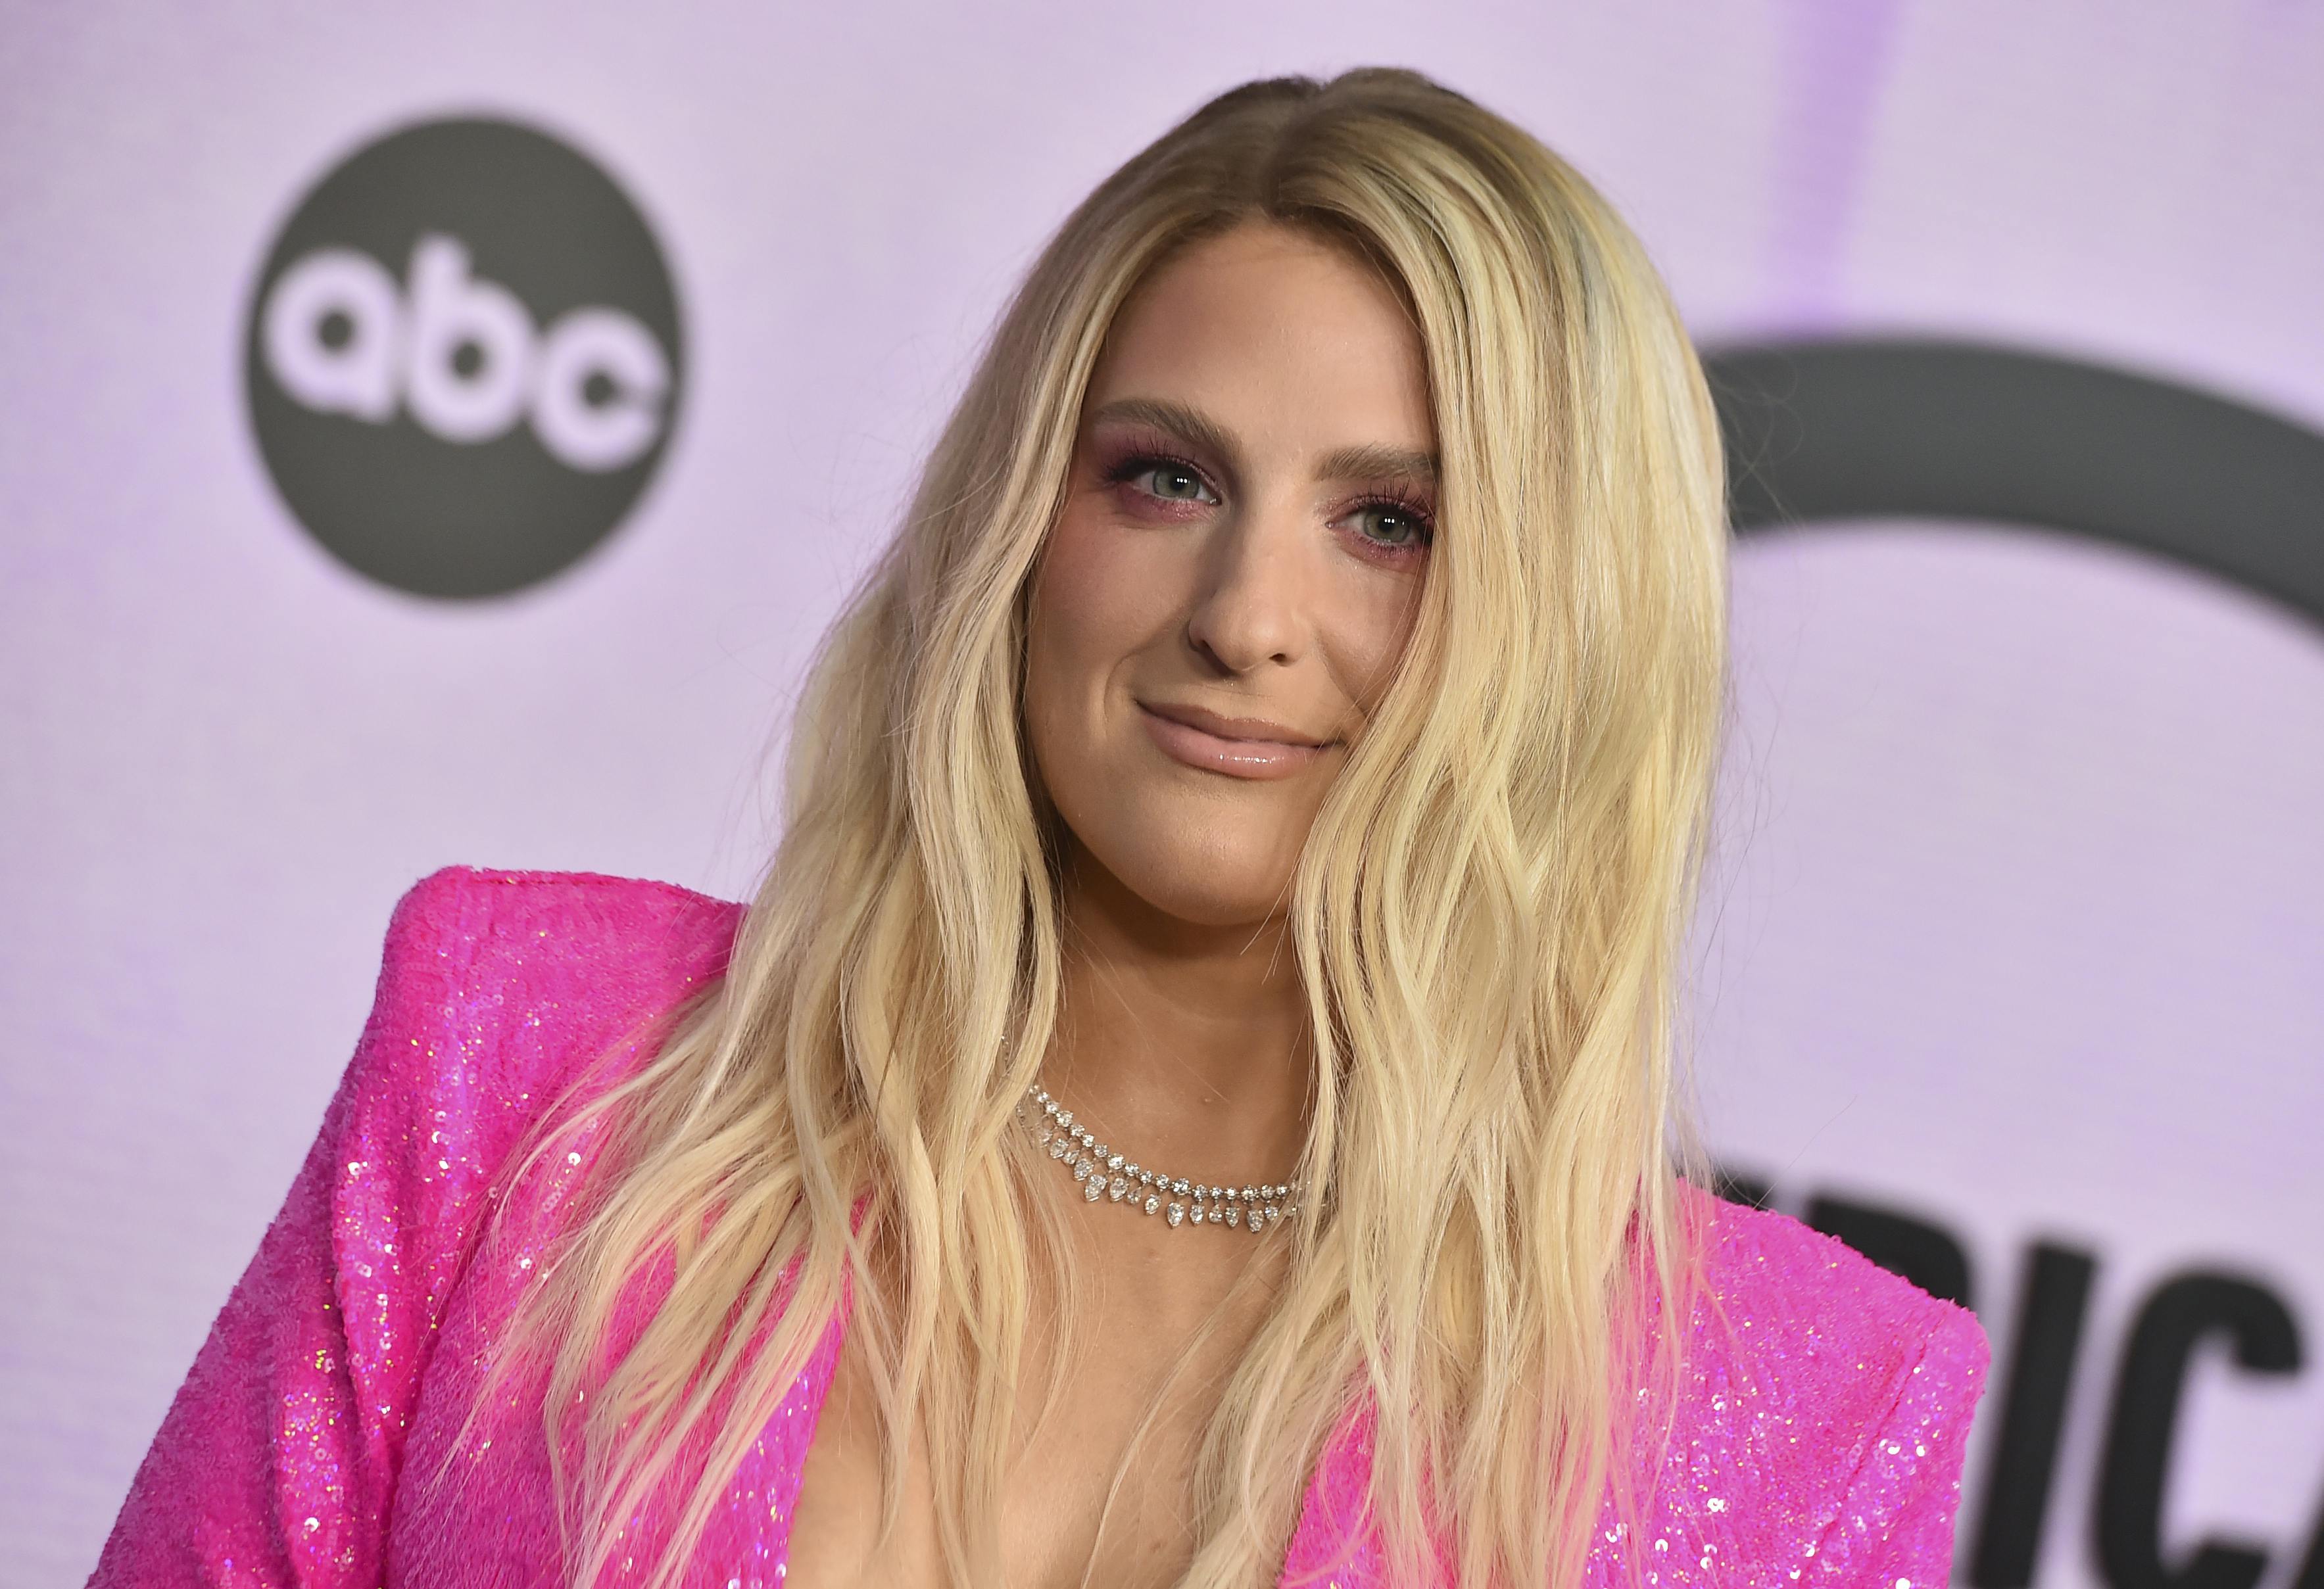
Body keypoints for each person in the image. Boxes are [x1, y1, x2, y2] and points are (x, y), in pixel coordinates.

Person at [89, 66, 1987, 1589]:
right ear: (1021, 527)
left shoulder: (1808, 1423)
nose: (1246, 614)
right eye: (1164, 477)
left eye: (1389, 521)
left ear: (1569, 626)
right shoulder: (527, 1057)